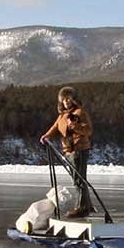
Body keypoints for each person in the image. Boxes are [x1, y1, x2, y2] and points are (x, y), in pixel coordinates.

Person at [39, 85, 94, 218]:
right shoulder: (62, 116)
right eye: (64, 99)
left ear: (73, 99)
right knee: (78, 179)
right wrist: (46, 136)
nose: (67, 101)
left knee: (79, 180)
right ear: (61, 101)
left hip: (79, 150)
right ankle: (87, 205)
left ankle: (82, 207)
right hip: (68, 151)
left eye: (69, 98)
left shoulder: (80, 113)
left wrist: (74, 126)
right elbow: (55, 127)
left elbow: (88, 130)